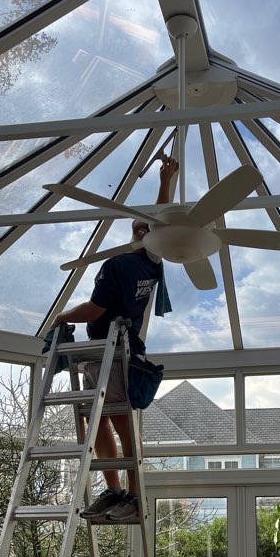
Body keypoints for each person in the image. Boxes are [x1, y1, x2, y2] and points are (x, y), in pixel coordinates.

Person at [51, 155, 178, 524]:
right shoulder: (152, 266)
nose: (140, 224)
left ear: (141, 234)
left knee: (113, 423)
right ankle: (117, 491)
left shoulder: (118, 266)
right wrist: (165, 182)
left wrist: (61, 316)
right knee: (96, 421)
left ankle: (130, 495)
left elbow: (92, 311)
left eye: (141, 224)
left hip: (110, 351)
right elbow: (159, 223)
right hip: (110, 353)